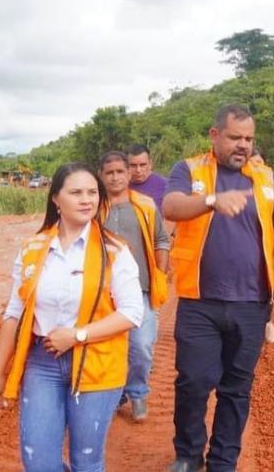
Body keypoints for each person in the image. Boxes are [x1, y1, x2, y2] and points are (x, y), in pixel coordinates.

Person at [163, 104, 274, 472]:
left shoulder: (267, 179)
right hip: (199, 301)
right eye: (234, 137)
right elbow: (171, 206)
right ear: (214, 135)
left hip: (252, 303)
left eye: (249, 138)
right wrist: (211, 201)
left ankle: (224, 460)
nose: (242, 145)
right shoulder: (189, 170)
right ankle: (189, 455)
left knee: (237, 387)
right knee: (193, 382)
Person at [0, 163, 144, 472]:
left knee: (86, 461)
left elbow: (132, 312)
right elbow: (14, 313)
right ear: (56, 199)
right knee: (38, 461)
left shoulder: (114, 251)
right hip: (44, 362)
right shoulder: (33, 249)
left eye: (92, 192)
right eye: (76, 192)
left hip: (97, 361)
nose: (87, 199)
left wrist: (77, 335)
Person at [97, 150, 170, 423]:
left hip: (141, 291)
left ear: (129, 174)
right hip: (103, 294)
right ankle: (115, 395)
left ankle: (138, 392)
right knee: (108, 347)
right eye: (109, 172)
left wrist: (159, 274)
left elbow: (162, 239)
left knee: (141, 346)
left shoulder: (146, 205)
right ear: (101, 177)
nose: (115, 177)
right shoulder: (94, 207)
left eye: (120, 171)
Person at [249, 148, 274, 344]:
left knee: (268, 287)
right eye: (253, 163)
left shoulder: (271, 186)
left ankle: (267, 321)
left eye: (260, 163)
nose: (256, 167)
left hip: (269, 249)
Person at [127, 143, 168, 211]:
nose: (138, 170)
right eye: (133, 165)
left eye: (142, 165)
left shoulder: (166, 186)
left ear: (150, 164)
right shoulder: (118, 188)